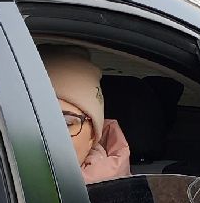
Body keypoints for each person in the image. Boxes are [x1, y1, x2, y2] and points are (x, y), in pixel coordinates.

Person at [41, 44, 133, 183]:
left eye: (66, 123)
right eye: (34, 121)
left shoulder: (121, 197)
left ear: (94, 134)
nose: (46, 137)